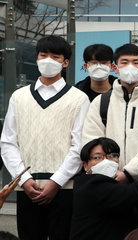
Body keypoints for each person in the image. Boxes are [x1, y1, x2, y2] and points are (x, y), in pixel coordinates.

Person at [0, 35, 90, 240]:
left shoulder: (79, 98)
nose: (48, 60)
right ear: (37, 58)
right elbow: (8, 142)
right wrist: (24, 179)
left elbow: (80, 146)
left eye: (55, 56)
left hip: (65, 188)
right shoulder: (19, 96)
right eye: (43, 55)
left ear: (65, 62)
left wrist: (56, 181)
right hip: (27, 189)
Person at [82, 43, 138, 183]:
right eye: (124, 62)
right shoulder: (101, 102)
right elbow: (91, 140)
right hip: (107, 181)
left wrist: (128, 173)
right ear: (115, 68)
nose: (130, 66)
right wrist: (109, 171)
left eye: (135, 63)